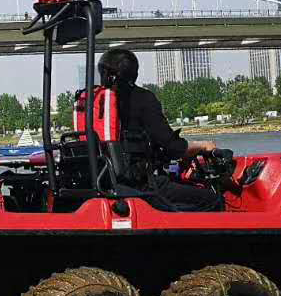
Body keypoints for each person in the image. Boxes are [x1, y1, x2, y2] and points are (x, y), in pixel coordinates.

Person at [94, 46, 225, 210]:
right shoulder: (142, 98)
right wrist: (202, 146)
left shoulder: (95, 103)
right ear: (133, 73)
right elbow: (173, 146)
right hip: (140, 186)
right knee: (213, 200)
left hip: (103, 181)